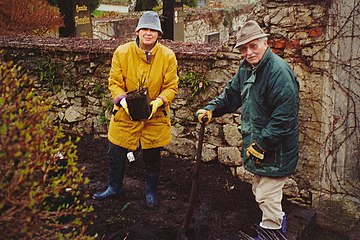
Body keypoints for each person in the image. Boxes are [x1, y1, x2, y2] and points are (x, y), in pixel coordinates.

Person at [196, 20, 299, 239]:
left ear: (265, 43)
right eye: (243, 49)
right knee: (259, 190)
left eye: (253, 46)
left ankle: (271, 234)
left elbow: (284, 118)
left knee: (266, 195)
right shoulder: (247, 68)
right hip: (259, 146)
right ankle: (277, 225)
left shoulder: (279, 72)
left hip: (275, 149)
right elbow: (231, 95)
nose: (248, 52)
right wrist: (211, 109)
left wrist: (262, 143)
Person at [93, 11, 178, 208]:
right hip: (124, 115)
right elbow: (114, 82)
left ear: (159, 34)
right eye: (145, 29)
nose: (149, 33)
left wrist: (158, 102)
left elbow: (171, 87)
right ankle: (114, 187)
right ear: (137, 32)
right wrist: (122, 101)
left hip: (154, 117)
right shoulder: (122, 52)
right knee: (115, 152)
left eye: (153, 30)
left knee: (152, 157)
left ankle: (150, 192)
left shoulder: (167, 57)